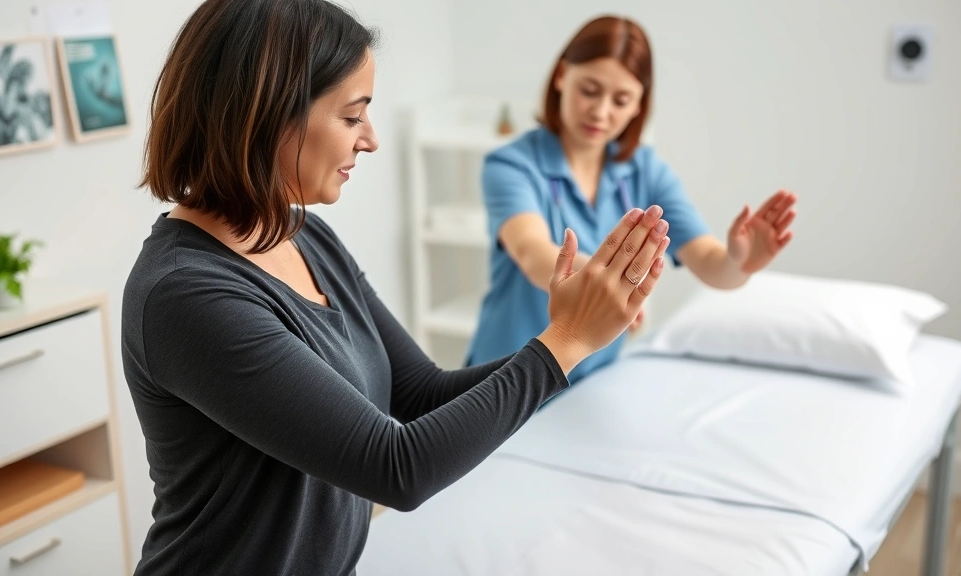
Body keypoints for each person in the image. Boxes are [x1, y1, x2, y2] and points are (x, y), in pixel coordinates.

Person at [121, 1, 671, 574]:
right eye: (352, 116)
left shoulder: (307, 238)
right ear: (269, 113)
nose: (371, 139)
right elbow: (396, 467)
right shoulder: (186, 296)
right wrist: (566, 341)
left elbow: (421, 394)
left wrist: (579, 336)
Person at [466, 15, 798, 382]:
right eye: (589, 90)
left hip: (590, 376)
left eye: (621, 99)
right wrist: (609, 284)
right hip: (505, 376)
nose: (601, 111)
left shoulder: (646, 170)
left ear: (639, 104)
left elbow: (711, 263)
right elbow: (532, 254)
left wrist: (740, 261)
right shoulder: (511, 164)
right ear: (562, 76)